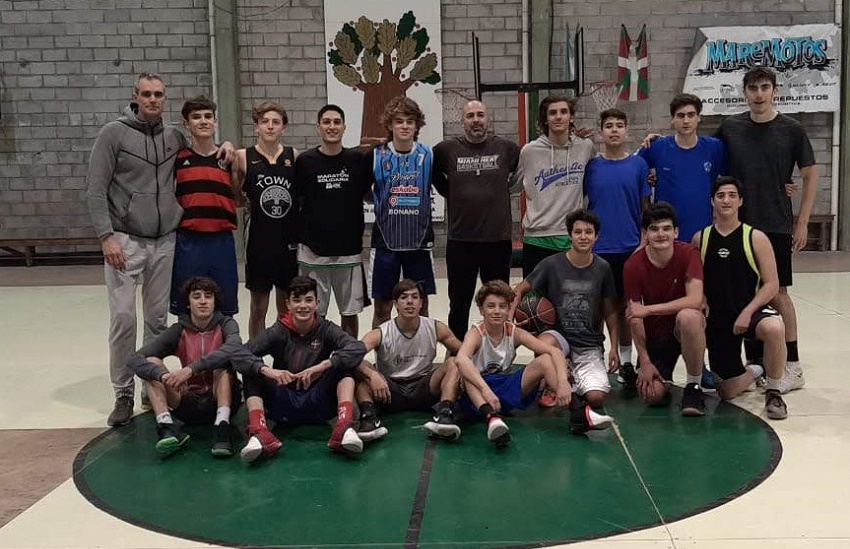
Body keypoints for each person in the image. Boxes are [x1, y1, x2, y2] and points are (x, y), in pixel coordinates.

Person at [85, 72, 232, 427]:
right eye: (147, 94)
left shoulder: (173, 137)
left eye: (159, 95)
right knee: (123, 319)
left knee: (156, 321)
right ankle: (122, 392)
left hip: (166, 239)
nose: (153, 100)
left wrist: (228, 145)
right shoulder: (113, 134)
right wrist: (106, 236)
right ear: (135, 96)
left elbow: (205, 146)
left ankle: (149, 387)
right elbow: (94, 189)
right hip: (125, 239)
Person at [715, 67, 816, 392]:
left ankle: (793, 366)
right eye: (753, 88)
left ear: (775, 91)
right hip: (738, 228)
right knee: (743, 293)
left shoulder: (792, 130)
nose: (759, 94)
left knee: (779, 293)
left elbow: (810, 174)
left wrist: (801, 221)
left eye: (765, 87)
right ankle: (757, 365)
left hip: (775, 224)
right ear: (744, 92)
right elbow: (706, 155)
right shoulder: (730, 128)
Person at [457, 280, 610, 446]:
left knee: (544, 360)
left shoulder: (514, 332)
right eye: (491, 306)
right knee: (465, 371)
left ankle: (579, 413)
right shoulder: (476, 333)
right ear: (481, 309)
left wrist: (562, 382)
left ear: (509, 309)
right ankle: (491, 418)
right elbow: (461, 359)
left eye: (502, 306)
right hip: (477, 396)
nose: (497, 311)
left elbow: (555, 352)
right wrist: (485, 391)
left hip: (502, 391)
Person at [233, 276, 367, 462]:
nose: (303, 305)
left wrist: (323, 366)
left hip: (319, 403)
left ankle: (344, 426)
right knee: (252, 372)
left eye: (308, 300)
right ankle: (260, 433)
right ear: (288, 304)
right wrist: (268, 370)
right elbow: (238, 354)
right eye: (297, 300)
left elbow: (358, 348)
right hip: (283, 402)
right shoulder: (278, 331)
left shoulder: (326, 328)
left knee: (344, 365)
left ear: (317, 304)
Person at [511, 209, 620, 430]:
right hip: (559, 337)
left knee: (597, 398)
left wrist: (614, 348)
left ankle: (568, 375)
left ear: (596, 236)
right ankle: (556, 380)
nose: (583, 236)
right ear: (569, 235)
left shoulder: (603, 268)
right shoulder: (552, 264)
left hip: (589, 343)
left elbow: (610, 311)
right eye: (577, 232)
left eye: (588, 232)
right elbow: (519, 289)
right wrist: (511, 316)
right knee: (547, 341)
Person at [692, 176, 788, 419]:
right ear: (712, 201)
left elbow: (772, 284)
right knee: (726, 392)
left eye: (732, 195)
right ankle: (756, 370)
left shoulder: (755, 237)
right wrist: (701, 299)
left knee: (775, 327)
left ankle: (774, 392)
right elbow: (695, 281)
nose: (726, 200)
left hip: (751, 311)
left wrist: (747, 312)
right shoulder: (700, 239)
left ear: (741, 201)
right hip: (719, 318)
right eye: (721, 195)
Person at [432, 99, 521, 339]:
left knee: (498, 303)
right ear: (462, 121)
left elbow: (518, 177)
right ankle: (457, 354)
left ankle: (496, 350)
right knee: (458, 303)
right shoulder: (445, 150)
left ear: (487, 118)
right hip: (461, 241)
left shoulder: (507, 149)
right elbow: (435, 178)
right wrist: (453, 192)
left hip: (497, 240)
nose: (476, 120)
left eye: (480, 115)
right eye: (470, 116)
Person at [127, 277, 245, 457]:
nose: (203, 301)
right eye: (197, 296)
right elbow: (135, 359)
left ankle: (222, 428)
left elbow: (235, 348)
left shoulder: (226, 324)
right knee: (151, 363)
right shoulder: (178, 330)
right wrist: (162, 376)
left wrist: (190, 369)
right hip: (188, 402)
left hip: (221, 399)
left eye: (208, 296)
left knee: (223, 364)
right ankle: (166, 425)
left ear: (215, 302)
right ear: (188, 303)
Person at [583, 107, 651, 390]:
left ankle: (625, 362)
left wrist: (643, 241)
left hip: (630, 248)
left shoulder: (638, 166)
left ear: (626, 131)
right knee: (599, 308)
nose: (614, 130)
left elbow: (646, 206)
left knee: (627, 309)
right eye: (608, 125)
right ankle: (594, 359)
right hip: (598, 250)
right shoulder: (592, 166)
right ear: (601, 132)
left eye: (619, 125)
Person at [294, 104, 372, 338]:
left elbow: (368, 194)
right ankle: (317, 362)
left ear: (344, 127)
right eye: (326, 122)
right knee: (315, 313)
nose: (332, 126)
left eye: (337, 122)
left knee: (350, 312)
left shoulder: (357, 160)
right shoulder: (306, 161)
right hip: (313, 252)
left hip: (348, 250)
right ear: (318, 127)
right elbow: (297, 202)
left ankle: (349, 363)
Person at [623, 202, 707, 415]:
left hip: (685, 328)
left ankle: (693, 386)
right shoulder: (633, 265)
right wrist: (644, 360)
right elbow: (634, 318)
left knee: (689, 317)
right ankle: (664, 378)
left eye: (666, 228)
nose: (661, 234)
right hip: (657, 337)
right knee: (651, 395)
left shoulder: (689, 253)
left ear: (676, 231)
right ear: (645, 234)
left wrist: (649, 309)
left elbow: (695, 300)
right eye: (654, 229)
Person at [355, 279, 464, 442]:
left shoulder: (435, 327)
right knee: (363, 373)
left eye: (414, 297)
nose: (409, 302)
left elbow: (465, 351)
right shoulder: (381, 332)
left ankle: (444, 414)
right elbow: (353, 356)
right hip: (391, 390)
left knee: (455, 362)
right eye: (404, 297)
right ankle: (369, 419)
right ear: (395, 304)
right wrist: (373, 375)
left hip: (423, 387)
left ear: (421, 303)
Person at [232, 101, 300, 340]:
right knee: (258, 308)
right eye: (265, 122)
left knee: (285, 308)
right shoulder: (243, 157)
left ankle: (285, 356)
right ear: (257, 127)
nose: (270, 126)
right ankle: (256, 361)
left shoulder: (294, 156)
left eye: (276, 122)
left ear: (283, 128)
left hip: (287, 242)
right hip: (259, 242)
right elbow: (234, 198)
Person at [169, 96, 239, 317]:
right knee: (187, 305)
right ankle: (190, 351)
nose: (203, 121)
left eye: (208, 116)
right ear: (186, 124)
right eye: (196, 117)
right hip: (189, 242)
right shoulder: (179, 159)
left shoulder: (228, 158)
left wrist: (229, 144)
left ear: (215, 122)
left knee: (225, 307)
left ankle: (224, 352)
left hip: (221, 241)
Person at [370, 96, 436, 328]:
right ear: (390, 125)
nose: (405, 126)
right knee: (382, 308)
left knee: (421, 305)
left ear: (417, 125)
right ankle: (381, 362)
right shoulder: (376, 155)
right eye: (399, 121)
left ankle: (424, 359)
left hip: (419, 242)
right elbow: (363, 192)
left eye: (410, 121)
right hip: (385, 243)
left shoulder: (429, 155)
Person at [515, 95, 596, 277]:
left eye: (563, 112)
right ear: (545, 119)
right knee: (535, 303)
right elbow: (513, 186)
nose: (558, 117)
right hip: (537, 237)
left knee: (571, 300)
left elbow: (604, 168)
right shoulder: (529, 151)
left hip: (570, 236)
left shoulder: (585, 147)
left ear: (571, 117)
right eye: (552, 113)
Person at [638, 93, 726, 243]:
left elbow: (720, 182)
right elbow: (634, 175)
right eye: (680, 115)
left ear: (699, 118)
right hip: (666, 233)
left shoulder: (714, 147)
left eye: (691, 115)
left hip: (702, 231)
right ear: (672, 120)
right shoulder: (656, 147)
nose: (686, 120)